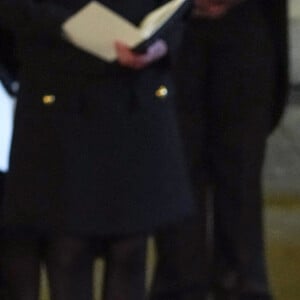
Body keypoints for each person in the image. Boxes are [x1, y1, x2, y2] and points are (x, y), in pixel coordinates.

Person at [0, 1, 194, 300]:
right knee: (68, 246)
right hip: (61, 90)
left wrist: (162, 44)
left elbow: (175, 11)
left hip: (137, 93)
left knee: (130, 247)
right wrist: (75, 28)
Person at [150, 0, 289, 300]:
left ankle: (241, 280)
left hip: (248, 21)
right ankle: (180, 282)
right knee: (176, 164)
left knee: (241, 166)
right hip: (168, 24)